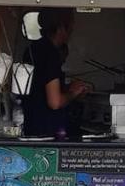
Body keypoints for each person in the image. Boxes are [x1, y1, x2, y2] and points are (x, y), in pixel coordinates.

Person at [23, 9, 90, 138]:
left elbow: (39, 87)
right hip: (48, 131)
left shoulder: (31, 49)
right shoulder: (50, 54)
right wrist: (73, 93)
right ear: (61, 28)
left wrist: (66, 89)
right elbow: (55, 102)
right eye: (71, 25)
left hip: (31, 125)